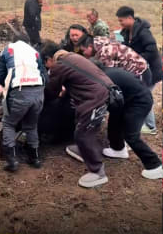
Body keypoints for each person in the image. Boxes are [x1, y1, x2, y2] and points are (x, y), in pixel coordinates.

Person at [42, 42, 112, 188]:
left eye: (46, 63)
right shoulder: (72, 56)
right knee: (83, 126)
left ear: (49, 59)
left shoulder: (58, 65)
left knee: (82, 134)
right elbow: (79, 78)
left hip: (94, 98)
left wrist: (42, 98)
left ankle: (98, 171)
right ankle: (83, 150)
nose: (47, 67)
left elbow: (51, 92)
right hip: (105, 90)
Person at [97, 63, 163, 179]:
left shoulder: (105, 78)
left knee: (131, 135)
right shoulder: (107, 72)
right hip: (128, 100)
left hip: (140, 102)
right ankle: (118, 148)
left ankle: (155, 165)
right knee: (114, 120)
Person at [0, 34, 46, 172]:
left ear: (13, 41)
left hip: (20, 90)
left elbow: (0, 72)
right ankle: (34, 158)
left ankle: (12, 161)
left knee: (9, 123)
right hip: (38, 90)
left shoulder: (9, 49)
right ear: (27, 41)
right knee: (31, 125)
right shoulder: (34, 52)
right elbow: (43, 73)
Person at [117, 6, 163, 134]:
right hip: (142, 71)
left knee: (143, 97)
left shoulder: (143, 32)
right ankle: (146, 123)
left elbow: (152, 51)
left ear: (130, 18)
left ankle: (151, 126)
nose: (120, 23)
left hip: (151, 72)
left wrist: (136, 58)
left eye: (121, 21)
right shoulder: (128, 32)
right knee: (143, 96)